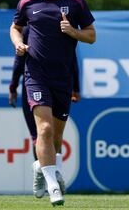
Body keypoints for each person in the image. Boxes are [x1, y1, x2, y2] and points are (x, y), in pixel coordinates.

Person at [10, 0, 95, 206]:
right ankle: (53, 186)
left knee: (56, 138)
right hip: (36, 75)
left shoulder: (75, 1)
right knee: (44, 129)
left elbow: (91, 36)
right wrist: (18, 43)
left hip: (63, 78)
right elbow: (15, 27)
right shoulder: (27, 2)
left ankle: (41, 166)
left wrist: (72, 32)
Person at [9, 27, 81, 161]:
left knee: (51, 135)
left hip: (55, 86)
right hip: (36, 86)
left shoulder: (63, 27)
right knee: (43, 133)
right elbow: (20, 59)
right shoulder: (29, 30)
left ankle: (53, 174)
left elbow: (72, 59)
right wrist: (13, 86)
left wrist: (13, 87)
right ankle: (44, 176)